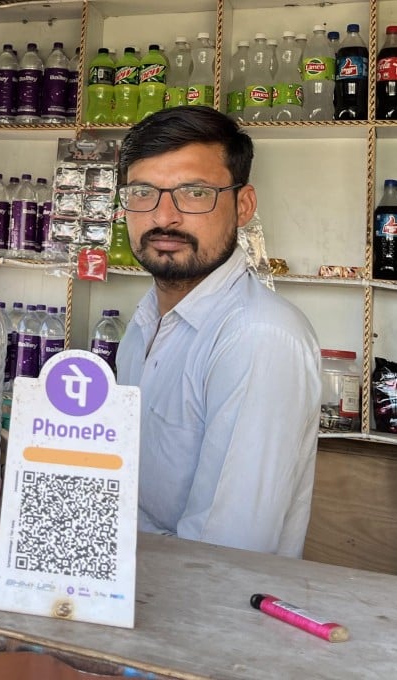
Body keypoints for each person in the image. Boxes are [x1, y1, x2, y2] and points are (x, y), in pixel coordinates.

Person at [115, 106, 320, 558]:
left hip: (201, 613)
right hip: (131, 597)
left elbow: (226, 550)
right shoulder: (145, 322)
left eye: (194, 193)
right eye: (143, 192)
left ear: (242, 205)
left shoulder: (258, 337)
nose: (163, 217)